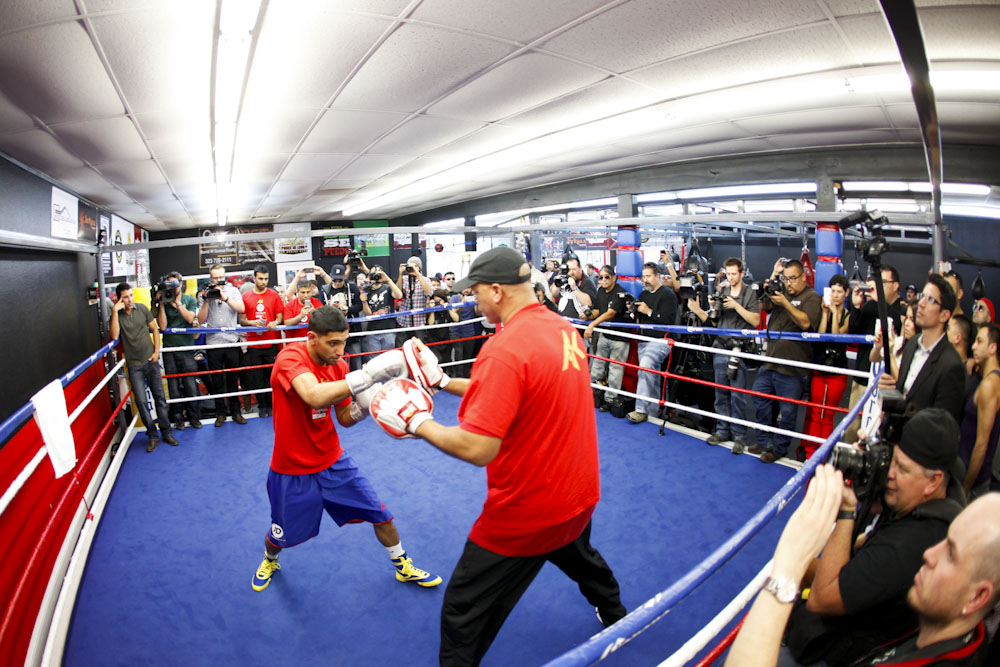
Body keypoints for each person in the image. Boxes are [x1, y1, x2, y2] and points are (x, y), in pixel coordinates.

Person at [370, 247, 626, 666]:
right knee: (579, 555)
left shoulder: (504, 348)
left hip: (526, 513)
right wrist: (442, 381)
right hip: (577, 494)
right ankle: (615, 613)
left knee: (463, 611)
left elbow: (478, 448)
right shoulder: (563, 329)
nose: (472, 300)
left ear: (496, 290)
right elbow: (516, 391)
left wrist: (418, 421)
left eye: (474, 292)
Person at [250, 306, 440, 593]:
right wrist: (367, 375)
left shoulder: (339, 365)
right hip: (291, 469)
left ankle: (402, 565)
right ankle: (270, 559)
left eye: (344, 342)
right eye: (333, 343)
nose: (340, 351)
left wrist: (365, 408)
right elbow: (314, 396)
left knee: (380, 513)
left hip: (333, 461)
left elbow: (344, 418)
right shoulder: (291, 358)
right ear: (312, 338)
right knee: (280, 534)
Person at [725, 470, 998, 667]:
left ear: (977, 597)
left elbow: (823, 598)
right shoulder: (965, 638)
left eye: (951, 553)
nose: (929, 554)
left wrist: (788, 567)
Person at [781, 408, 967, 666]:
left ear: (933, 481)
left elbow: (820, 600)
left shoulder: (906, 546)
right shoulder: (946, 495)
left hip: (837, 649)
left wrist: (847, 510)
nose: (890, 473)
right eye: (892, 461)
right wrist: (872, 480)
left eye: (902, 469)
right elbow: (880, 513)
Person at [748, 259, 822, 463]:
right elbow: (764, 305)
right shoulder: (781, 293)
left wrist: (785, 304)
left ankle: (779, 448)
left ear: (803, 277)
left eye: (792, 278)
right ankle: (764, 440)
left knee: (788, 412)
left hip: (793, 366)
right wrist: (771, 280)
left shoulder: (812, 297)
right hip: (771, 361)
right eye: (786, 279)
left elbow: (805, 323)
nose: (788, 283)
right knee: (759, 398)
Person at [686, 258, 760, 451]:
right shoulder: (723, 291)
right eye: (728, 274)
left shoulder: (749, 293)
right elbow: (714, 322)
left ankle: (739, 436)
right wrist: (709, 308)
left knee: (738, 396)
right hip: (720, 346)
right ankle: (722, 430)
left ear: (742, 273)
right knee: (720, 394)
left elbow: (755, 321)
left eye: (734, 273)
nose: (731, 277)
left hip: (739, 348)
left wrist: (736, 306)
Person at [877, 275, 966, 424]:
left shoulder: (951, 365)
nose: (922, 303)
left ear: (944, 315)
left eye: (930, 299)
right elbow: (904, 396)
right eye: (922, 296)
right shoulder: (911, 345)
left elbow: (942, 426)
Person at [111, 282, 178, 452]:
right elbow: (115, 335)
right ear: (119, 299)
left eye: (131, 295)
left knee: (160, 398)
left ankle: (166, 432)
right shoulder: (117, 316)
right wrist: (114, 311)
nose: (130, 299)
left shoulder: (141, 308)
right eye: (125, 297)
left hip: (151, 361)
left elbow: (155, 329)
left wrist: (156, 352)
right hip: (134, 365)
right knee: (141, 402)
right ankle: (152, 435)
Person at [802, 274, 851, 455]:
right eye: (833, 291)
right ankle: (811, 453)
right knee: (816, 413)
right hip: (820, 367)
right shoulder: (824, 311)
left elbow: (837, 337)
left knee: (828, 415)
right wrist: (825, 313)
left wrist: (836, 313)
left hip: (838, 371)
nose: (836, 295)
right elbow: (821, 337)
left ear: (846, 293)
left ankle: (824, 453)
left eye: (839, 291)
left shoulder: (848, 315)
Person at [625, 262, 678, 424]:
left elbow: (667, 320)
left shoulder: (667, 294)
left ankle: (641, 410)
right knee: (650, 376)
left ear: (657, 276)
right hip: (644, 341)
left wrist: (648, 311)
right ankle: (653, 415)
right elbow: (641, 317)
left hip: (661, 340)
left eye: (648, 276)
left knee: (646, 366)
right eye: (644, 277)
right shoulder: (643, 294)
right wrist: (633, 311)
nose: (645, 280)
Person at [197, 264, 247, 427]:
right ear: (210, 278)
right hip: (214, 343)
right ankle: (220, 414)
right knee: (216, 381)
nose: (218, 280)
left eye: (220, 277)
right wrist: (206, 300)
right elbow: (201, 320)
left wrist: (225, 298)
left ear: (224, 276)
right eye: (215, 278)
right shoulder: (205, 293)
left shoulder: (233, 291)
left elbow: (241, 309)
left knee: (233, 379)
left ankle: (236, 412)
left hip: (231, 341)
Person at [156, 272, 203, 431]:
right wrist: (161, 304)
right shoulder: (164, 301)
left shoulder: (189, 300)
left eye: (174, 285)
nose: (171, 288)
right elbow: (162, 326)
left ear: (181, 284)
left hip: (187, 348)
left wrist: (178, 304)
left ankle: (194, 417)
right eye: (168, 285)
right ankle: (178, 418)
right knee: (173, 386)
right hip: (170, 349)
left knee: (190, 385)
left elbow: (190, 318)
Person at [959, 324, 1000, 500]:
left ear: (993, 348)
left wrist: (965, 488)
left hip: (975, 483)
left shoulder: (990, 385)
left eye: (979, 341)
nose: (974, 346)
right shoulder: (988, 379)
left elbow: (982, 445)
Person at [584, 266, 633, 411]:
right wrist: (588, 316)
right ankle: (594, 393)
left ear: (614, 278)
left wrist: (592, 324)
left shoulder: (620, 293)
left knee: (615, 370)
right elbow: (599, 311)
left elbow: (610, 313)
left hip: (620, 337)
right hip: (605, 334)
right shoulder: (600, 291)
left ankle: (610, 399)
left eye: (607, 277)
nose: (603, 280)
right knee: (597, 366)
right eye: (601, 277)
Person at [239, 265, 284, 418]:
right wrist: (252, 323)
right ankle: (262, 405)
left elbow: (279, 317)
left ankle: (271, 404)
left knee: (271, 376)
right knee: (257, 377)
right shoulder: (246, 296)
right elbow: (242, 320)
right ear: (254, 278)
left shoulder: (274, 295)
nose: (264, 281)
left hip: (271, 342)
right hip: (254, 343)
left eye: (266, 279)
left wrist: (274, 323)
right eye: (260, 278)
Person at [360, 263, 403, 354]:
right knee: (374, 358)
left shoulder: (387, 287)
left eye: (378, 273)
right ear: (369, 275)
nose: (376, 276)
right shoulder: (366, 291)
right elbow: (368, 314)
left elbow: (399, 295)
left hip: (388, 329)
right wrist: (364, 301)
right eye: (373, 273)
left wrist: (388, 280)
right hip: (373, 331)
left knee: (388, 357)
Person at [396, 256, 432, 346]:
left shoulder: (425, 280)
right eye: (411, 266)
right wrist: (400, 274)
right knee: (401, 347)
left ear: (419, 268)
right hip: (404, 321)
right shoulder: (404, 279)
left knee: (419, 348)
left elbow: (429, 293)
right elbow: (398, 293)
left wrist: (418, 274)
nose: (413, 268)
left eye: (415, 266)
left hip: (419, 321)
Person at [424, 288, 458, 365]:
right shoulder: (430, 310)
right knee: (437, 360)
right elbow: (430, 324)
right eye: (436, 300)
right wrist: (433, 309)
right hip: (433, 343)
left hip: (446, 342)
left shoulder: (446, 309)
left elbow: (457, 319)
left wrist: (448, 308)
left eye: (440, 300)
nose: (438, 302)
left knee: (447, 362)